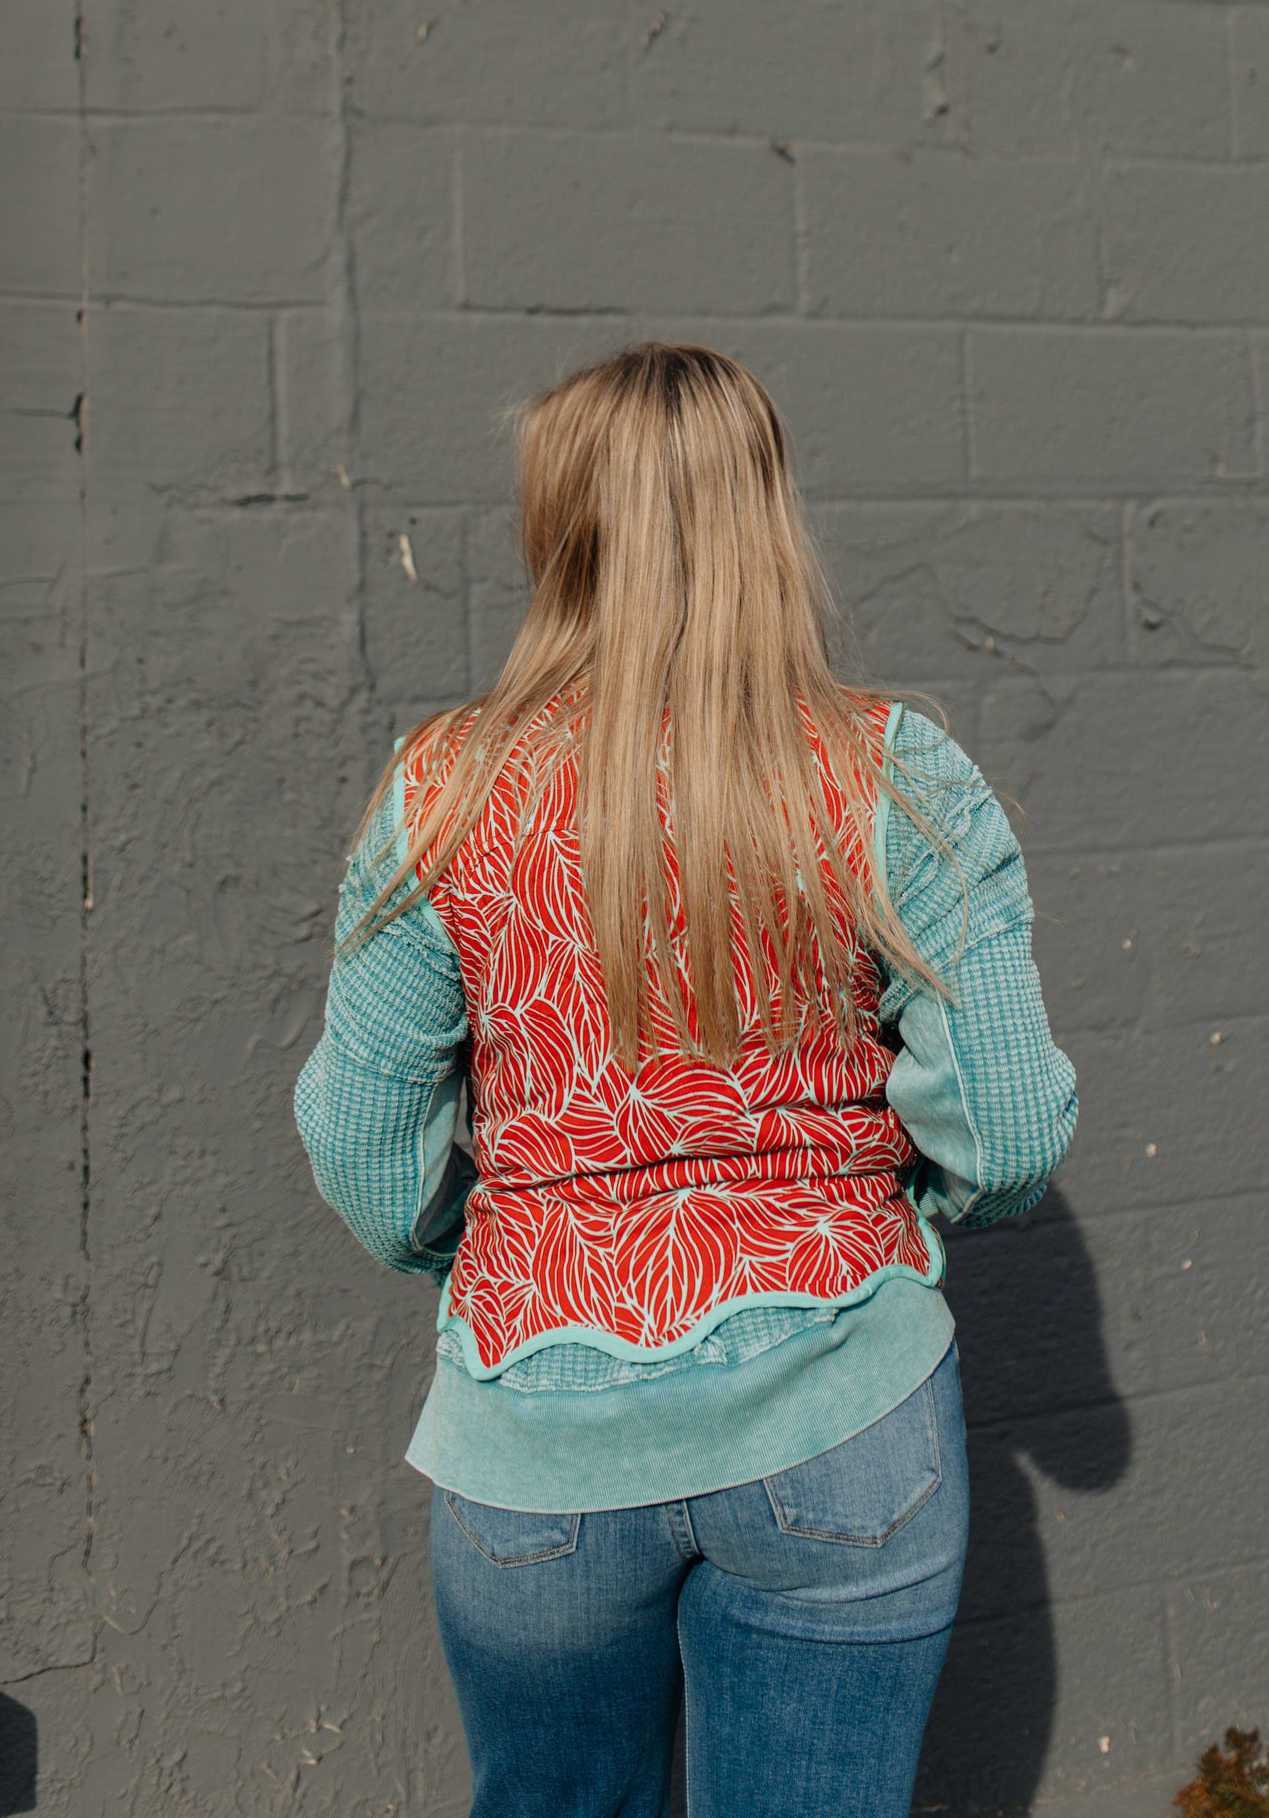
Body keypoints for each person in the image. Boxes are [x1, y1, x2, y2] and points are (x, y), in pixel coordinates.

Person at [293, 343, 1077, 1818]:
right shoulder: (889, 772)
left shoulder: (442, 791)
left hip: (535, 1423)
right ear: (766, 513)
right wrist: (903, 1213)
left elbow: (364, 1151)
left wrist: (477, 1249)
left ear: (556, 525)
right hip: (841, 1411)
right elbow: (1015, 1123)